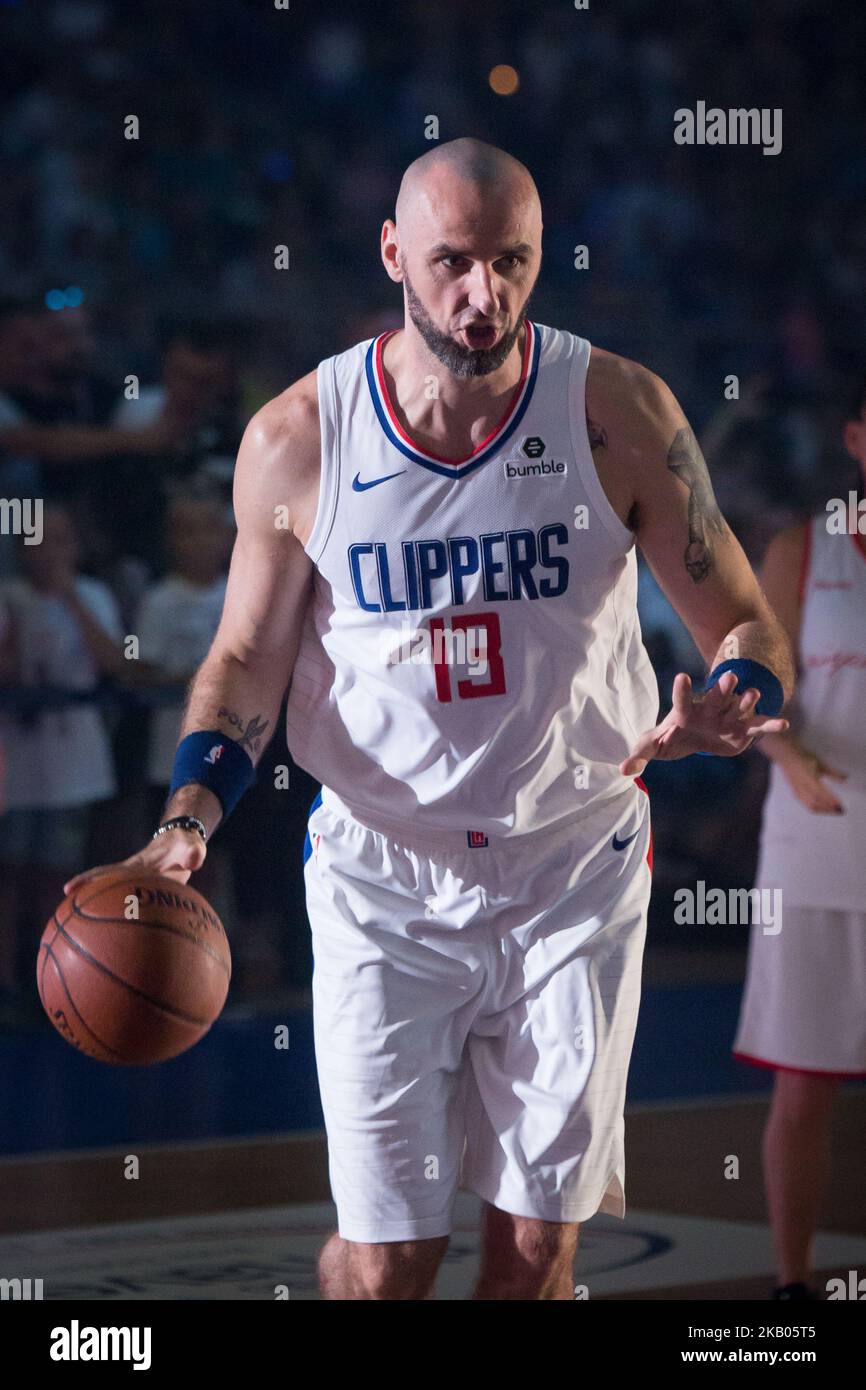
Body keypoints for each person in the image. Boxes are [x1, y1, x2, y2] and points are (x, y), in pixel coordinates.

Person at [67, 138, 793, 1301]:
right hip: (383, 884)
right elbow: (245, 657)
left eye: (511, 261)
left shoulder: (615, 409)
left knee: (533, 1253)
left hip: (571, 867)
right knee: (384, 1262)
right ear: (393, 254)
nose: (482, 294)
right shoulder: (300, 437)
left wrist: (734, 699)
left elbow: (747, 623)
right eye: (452, 261)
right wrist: (187, 822)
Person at [732, 382, 866, 1301]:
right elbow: (753, 696)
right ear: (857, 438)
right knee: (804, 1082)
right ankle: (792, 1283)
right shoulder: (801, 550)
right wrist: (791, 763)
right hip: (815, 844)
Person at [0, 503, 123, 1000]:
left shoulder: (93, 594)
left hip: (73, 765)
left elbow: (118, 663)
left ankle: (53, 979)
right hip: (15, 766)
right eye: (38, 540)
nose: (49, 551)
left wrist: (69, 597)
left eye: (60, 540)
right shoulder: (8, 597)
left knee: (61, 874)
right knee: (9, 872)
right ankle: (7, 981)